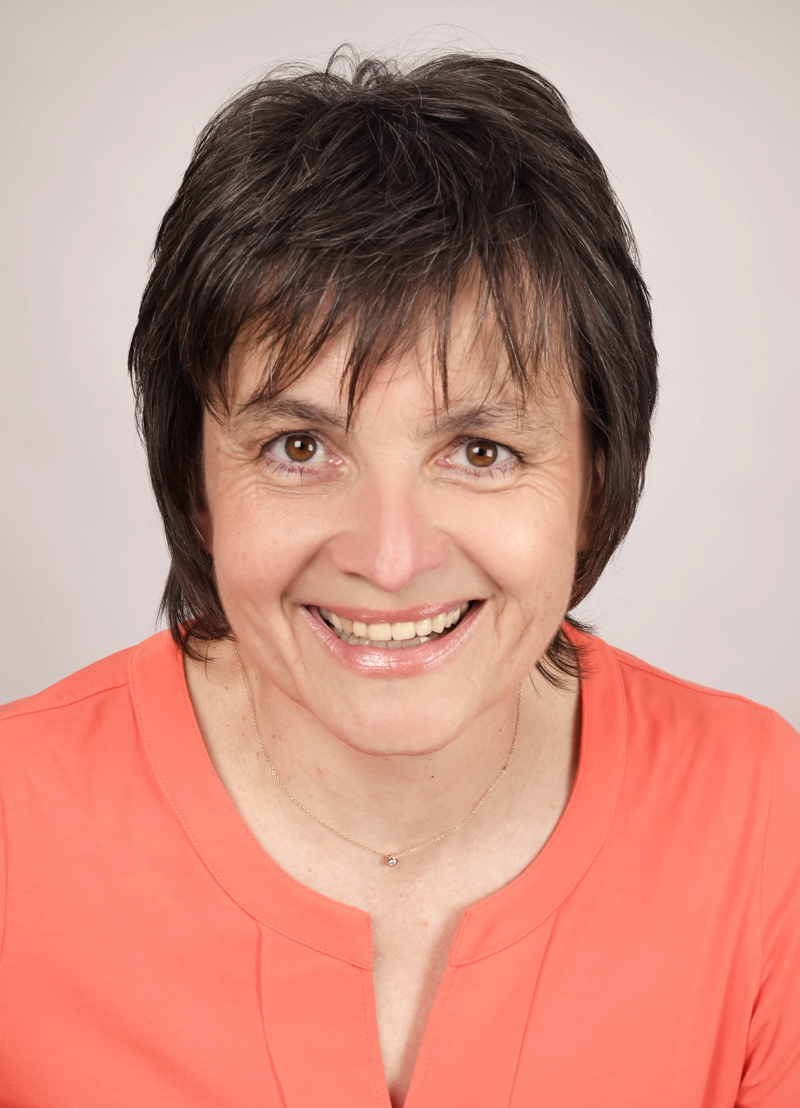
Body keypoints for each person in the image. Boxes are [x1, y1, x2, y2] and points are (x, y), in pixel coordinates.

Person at [0, 49, 798, 1108]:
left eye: (479, 450)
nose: (388, 557)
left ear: (593, 483)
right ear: (194, 482)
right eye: (298, 447)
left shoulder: (762, 819)